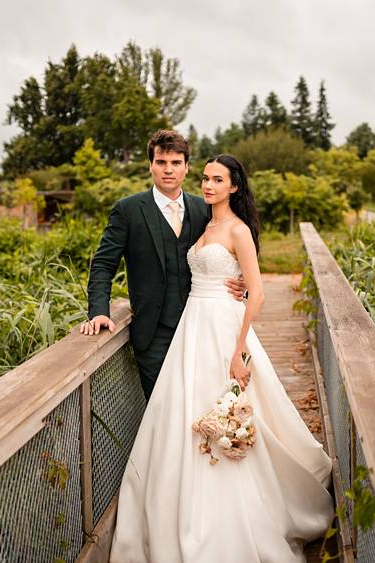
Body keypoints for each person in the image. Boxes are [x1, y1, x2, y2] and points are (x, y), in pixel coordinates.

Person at [108, 154, 334, 562]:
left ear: (234, 187)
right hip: (191, 327)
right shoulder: (204, 222)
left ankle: (235, 514)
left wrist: (238, 351)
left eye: (218, 180)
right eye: (206, 178)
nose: (208, 185)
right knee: (180, 413)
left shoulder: (238, 229)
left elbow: (258, 291)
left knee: (229, 410)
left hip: (223, 331)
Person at [81, 130, 244, 399]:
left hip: (201, 329)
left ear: (187, 167)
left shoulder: (204, 208)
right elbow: (102, 264)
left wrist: (243, 285)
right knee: (163, 409)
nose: (168, 170)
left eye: (176, 163)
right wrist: (99, 310)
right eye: (161, 162)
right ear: (151, 165)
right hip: (153, 335)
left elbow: (235, 249)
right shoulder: (128, 210)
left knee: (203, 405)